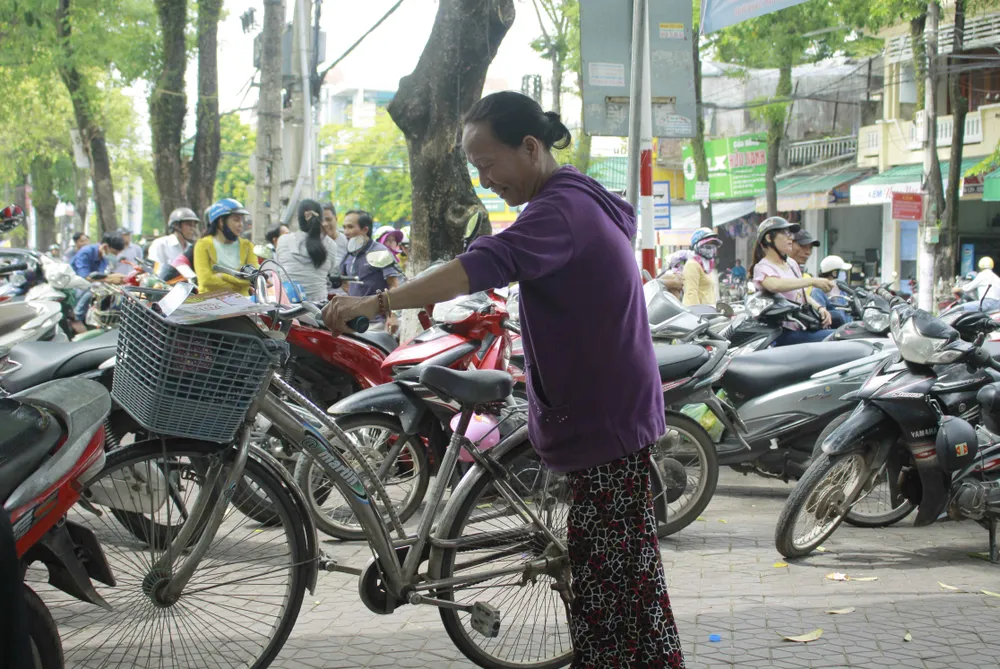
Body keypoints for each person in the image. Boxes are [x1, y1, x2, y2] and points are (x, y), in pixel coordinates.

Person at [321, 91, 685, 668]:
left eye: (489, 164)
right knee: (622, 575)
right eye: (476, 168)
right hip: (616, 412)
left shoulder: (558, 211)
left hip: (605, 419)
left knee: (609, 585)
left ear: (531, 148)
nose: (486, 179)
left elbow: (476, 265)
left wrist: (377, 301)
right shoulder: (582, 195)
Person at [751, 216, 835, 345]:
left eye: (791, 233)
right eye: (785, 233)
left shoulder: (791, 263)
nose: (791, 237)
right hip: (780, 332)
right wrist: (812, 281)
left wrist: (819, 308)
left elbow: (800, 292)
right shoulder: (762, 267)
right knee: (834, 338)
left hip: (800, 326)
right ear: (769, 238)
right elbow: (775, 285)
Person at [340, 209, 403, 330]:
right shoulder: (348, 254)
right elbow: (344, 282)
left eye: (350, 227)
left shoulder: (380, 252)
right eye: (344, 227)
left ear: (365, 230)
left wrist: (392, 314)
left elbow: (395, 285)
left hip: (376, 324)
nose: (346, 232)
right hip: (354, 322)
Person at [275, 200, 344, 302]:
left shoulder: (283, 240)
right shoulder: (330, 244)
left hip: (288, 306)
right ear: (321, 219)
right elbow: (330, 270)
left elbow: (280, 265)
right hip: (318, 307)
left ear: (299, 219)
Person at [193, 198, 258, 296]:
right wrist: (239, 283)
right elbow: (205, 280)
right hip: (212, 302)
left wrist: (222, 276)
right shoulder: (202, 245)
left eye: (241, 220)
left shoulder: (247, 245)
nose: (240, 224)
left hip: (242, 303)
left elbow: (253, 277)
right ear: (221, 222)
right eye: (236, 220)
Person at [70, 232, 127, 322]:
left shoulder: (104, 259)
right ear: (105, 247)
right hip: (75, 286)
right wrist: (109, 278)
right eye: (114, 253)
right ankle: (77, 318)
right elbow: (84, 277)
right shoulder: (86, 252)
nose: (115, 256)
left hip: (89, 285)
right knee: (91, 291)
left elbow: (101, 275)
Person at [682, 228, 721, 306]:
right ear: (697, 246)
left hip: (709, 313)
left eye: (713, 246)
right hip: (699, 314)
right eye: (707, 246)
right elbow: (691, 294)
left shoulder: (706, 266)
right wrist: (697, 316)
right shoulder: (692, 265)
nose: (710, 249)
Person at [813, 255, 853, 327]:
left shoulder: (841, 287)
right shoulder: (818, 291)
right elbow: (822, 316)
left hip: (847, 329)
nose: (844, 274)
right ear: (834, 273)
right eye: (841, 271)